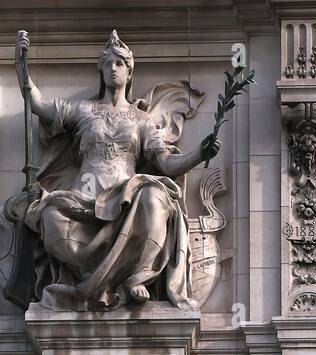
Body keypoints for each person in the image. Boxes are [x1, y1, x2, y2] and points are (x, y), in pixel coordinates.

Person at [12, 30, 218, 310]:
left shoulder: (142, 120)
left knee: (155, 198)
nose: (113, 69)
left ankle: (137, 277)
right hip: (84, 196)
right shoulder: (83, 110)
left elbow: (166, 164)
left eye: (119, 63)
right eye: (107, 64)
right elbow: (36, 103)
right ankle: (92, 280)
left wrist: (200, 154)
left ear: (129, 72)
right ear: (101, 70)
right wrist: (20, 62)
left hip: (126, 197)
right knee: (49, 214)